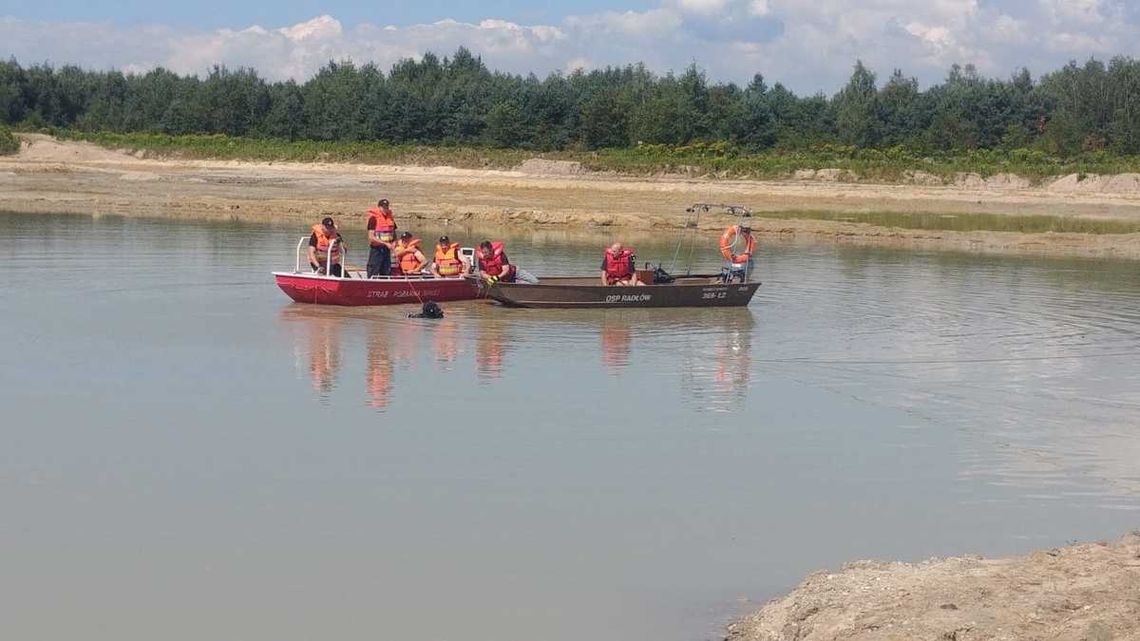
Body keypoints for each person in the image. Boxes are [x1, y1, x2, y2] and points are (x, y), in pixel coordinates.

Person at [366, 198, 397, 278]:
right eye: (383, 207)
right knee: (373, 269)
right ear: (379, 207)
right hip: (376, 249)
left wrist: (394, 243)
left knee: (386, 271)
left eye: (386, 207)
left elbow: (394, 234)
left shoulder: (391, 218)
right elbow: (371, 237)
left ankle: (384, 287)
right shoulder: (373, 219)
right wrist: (385, 243)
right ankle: (371, 286)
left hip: (387, 250)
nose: (385, 209)